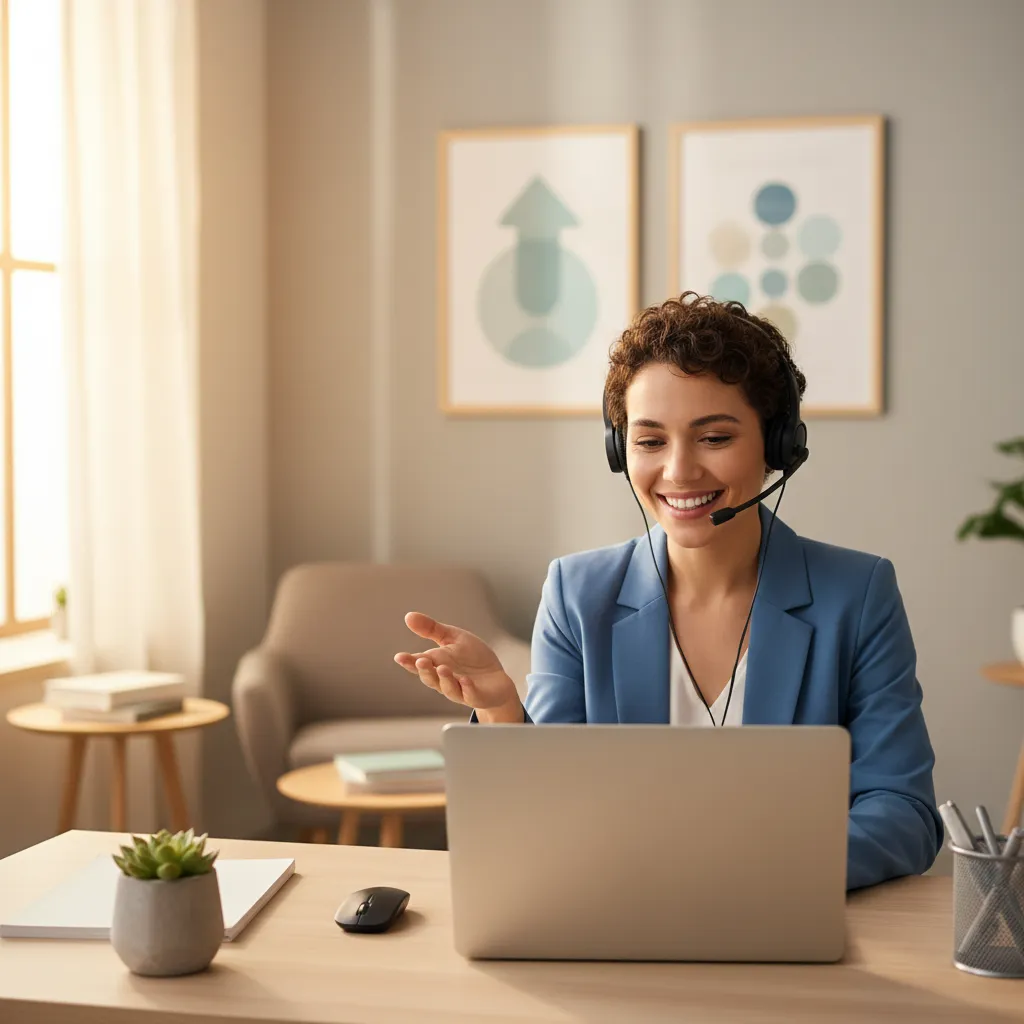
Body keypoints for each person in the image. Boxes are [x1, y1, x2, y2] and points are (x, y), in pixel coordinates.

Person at [394, 292, 942, 891]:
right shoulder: (577, 595)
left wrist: (752, 875)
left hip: (784, 919)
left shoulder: (858, 595)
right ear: (619, 450)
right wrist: (501, 709)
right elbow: (547, 813)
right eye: (650, 441)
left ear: (779, 446)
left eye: (714, 438)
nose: (679, 472)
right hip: (618, 929)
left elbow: (902, 813)